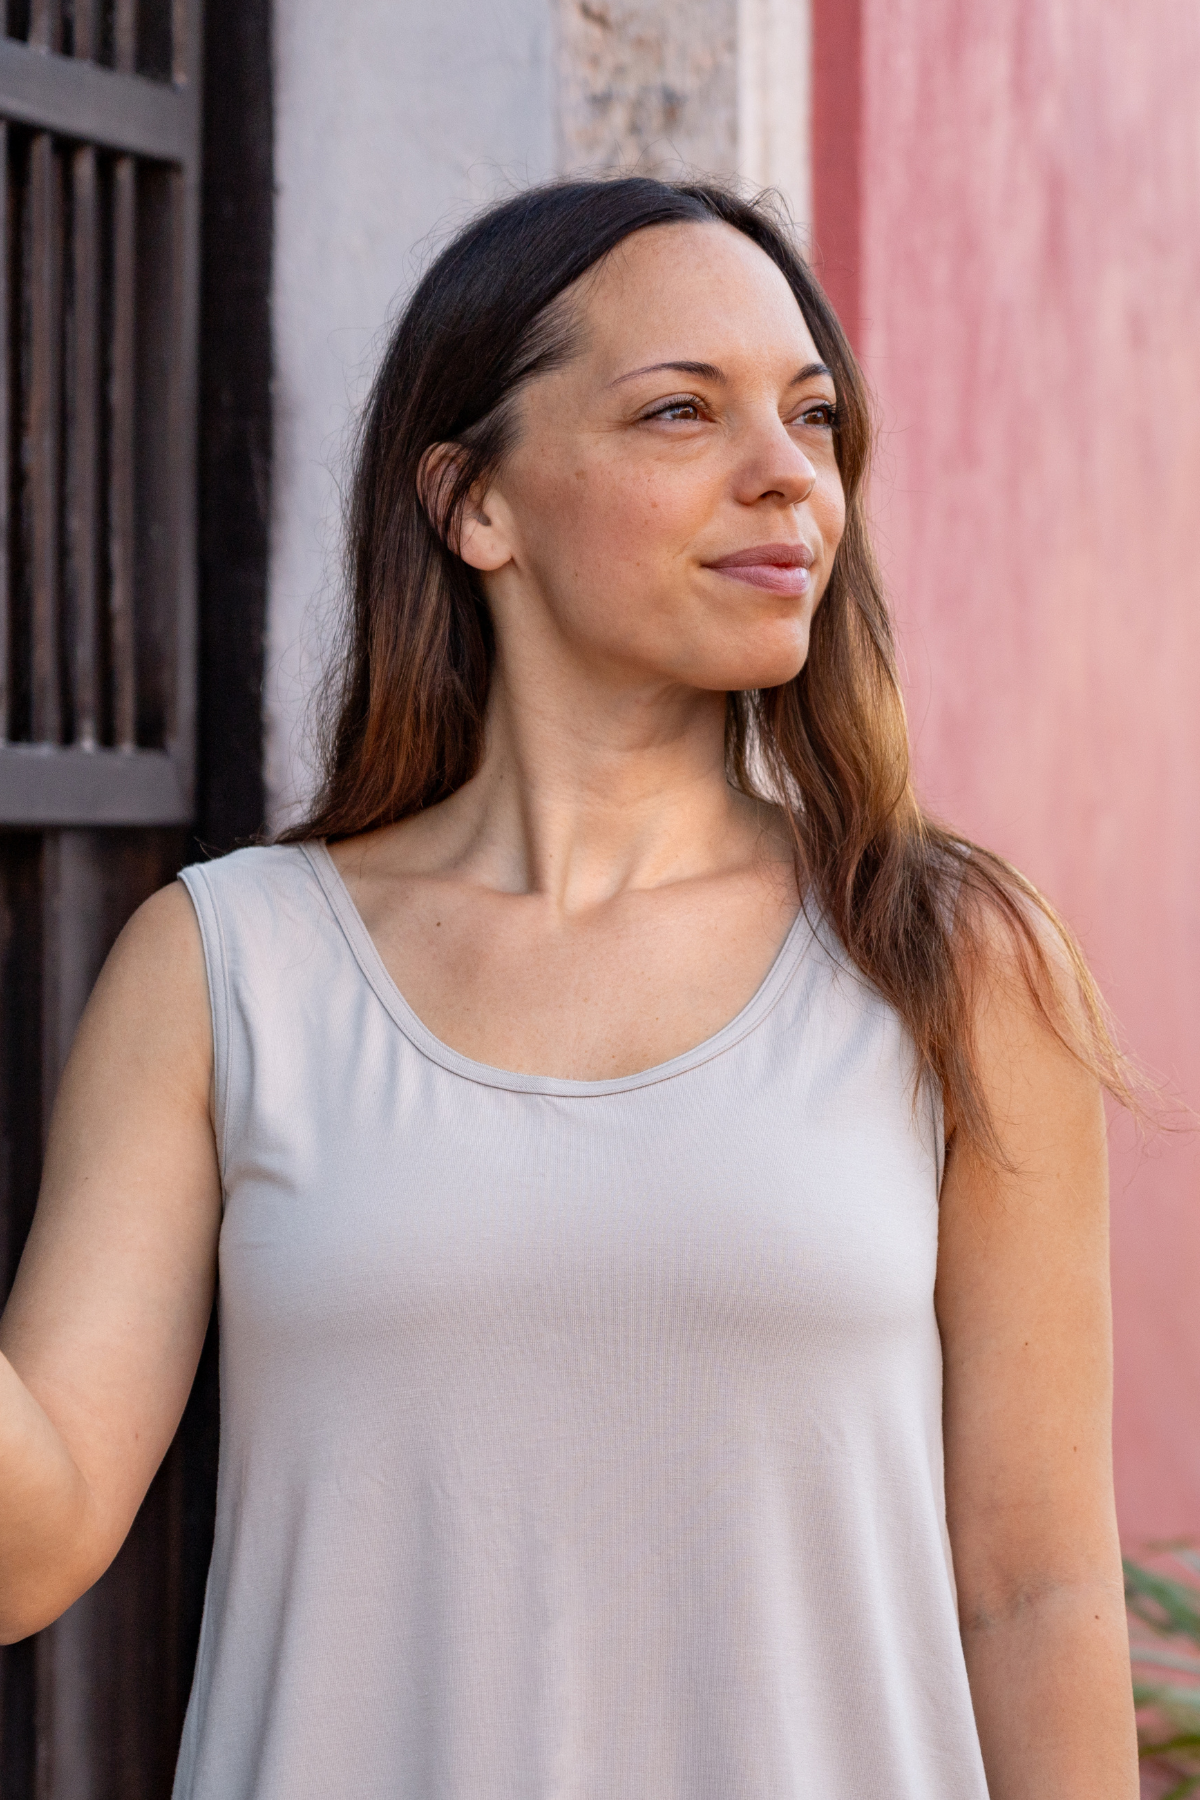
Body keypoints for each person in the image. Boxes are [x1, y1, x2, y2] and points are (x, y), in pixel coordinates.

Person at [0, 178, 1139, 1799]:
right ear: (477, 505)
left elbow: (1035, 1591)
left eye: (812, 416)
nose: (788, 475)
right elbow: (29, 1548)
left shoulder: (946, 958)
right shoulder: (228, 968)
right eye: (683, 409)